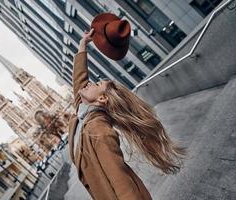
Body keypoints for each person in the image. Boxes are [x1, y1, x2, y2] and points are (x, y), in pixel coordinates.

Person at [67, 13, 187, 200]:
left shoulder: (98, 130)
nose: (90, 84)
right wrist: (83, 45)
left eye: (97, 85)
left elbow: (121, 181)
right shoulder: (84, 113)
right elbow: (79, 81)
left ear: (101, 100)